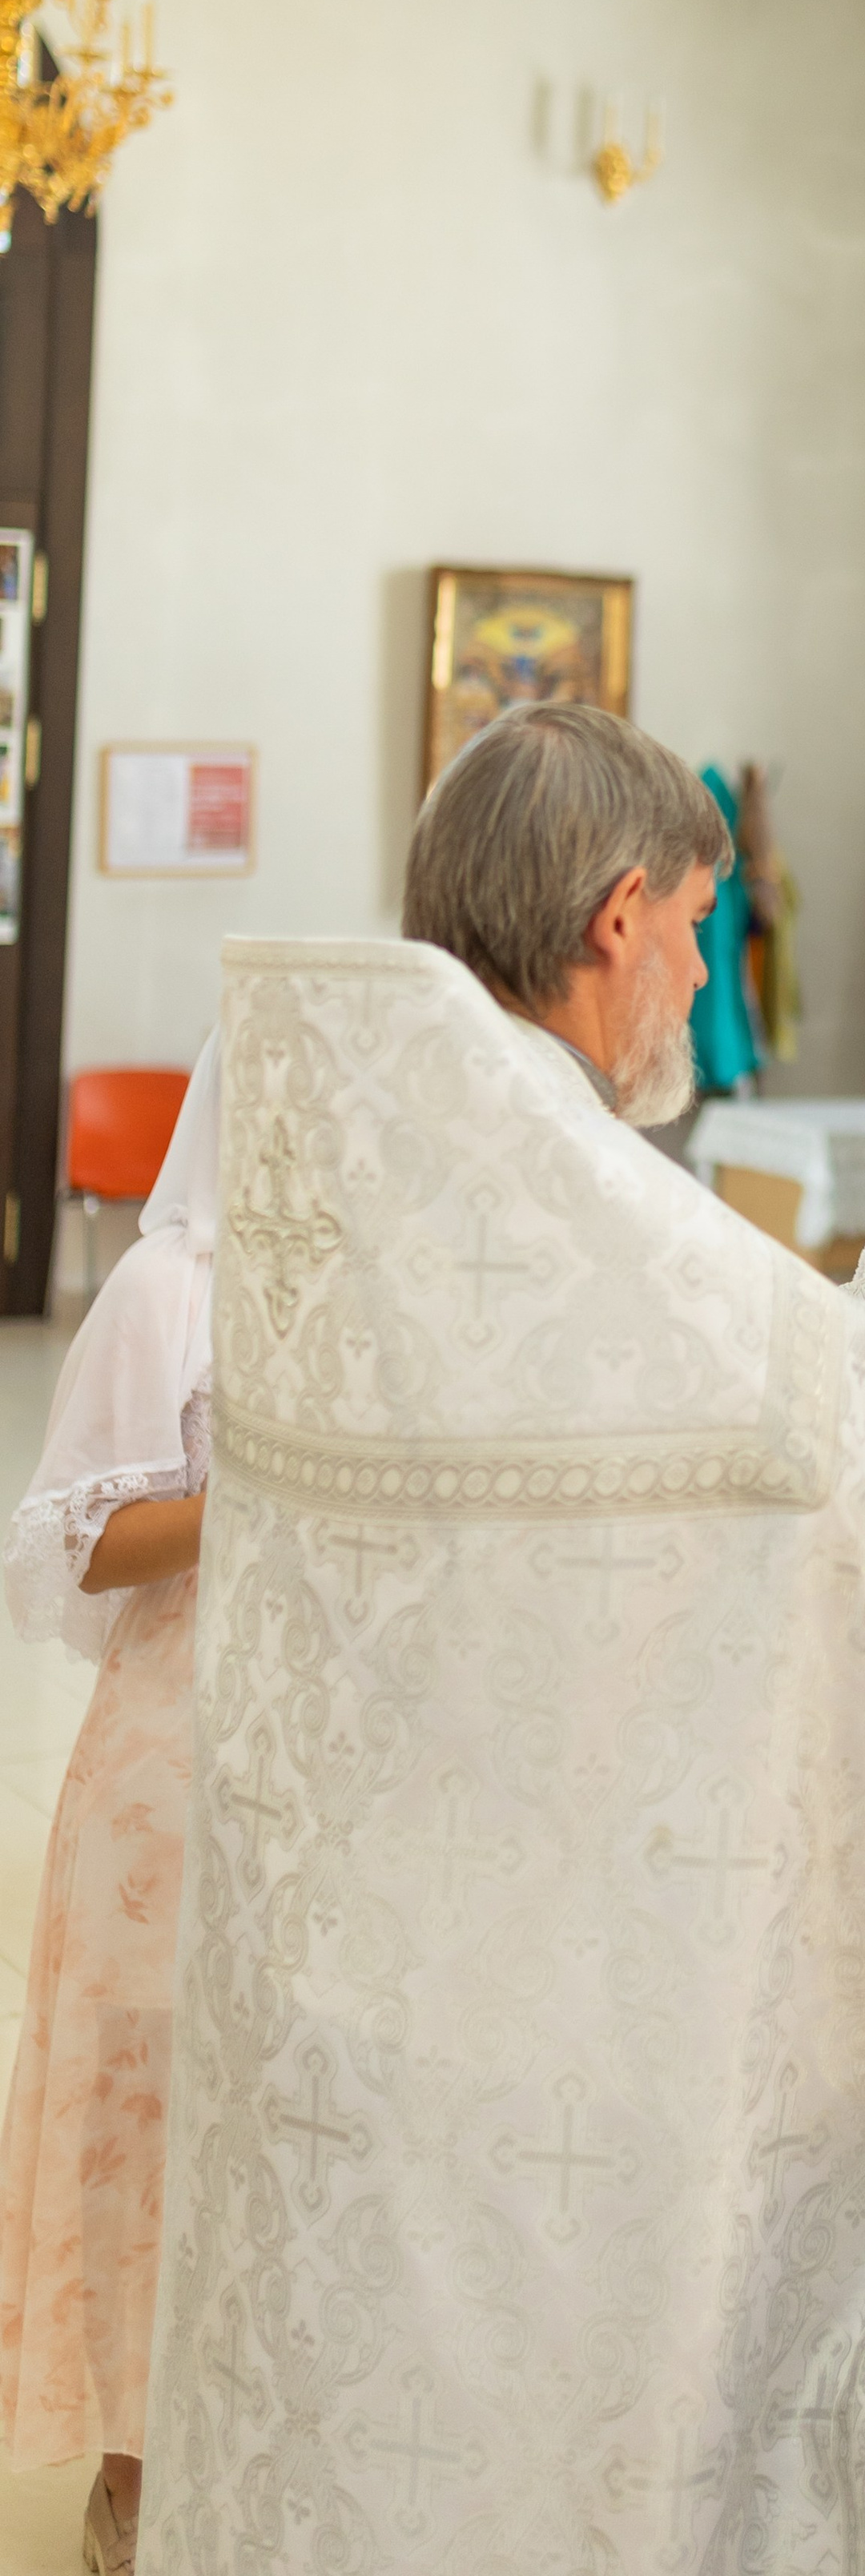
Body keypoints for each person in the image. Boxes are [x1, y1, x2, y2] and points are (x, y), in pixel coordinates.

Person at [139, 702, 865, 2576]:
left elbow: (695, 1441)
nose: (707, 968)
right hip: (546, 2001)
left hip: (358, 1959)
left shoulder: (395, 1138)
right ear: (623, 914)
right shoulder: (574, 1186)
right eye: (704, 925)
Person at [0, 1043, 218, 2576]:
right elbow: (80, 1541)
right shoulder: (170, 1286)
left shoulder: (417, 1277)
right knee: (153, 2103)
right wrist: (276, 1482)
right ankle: (139, 2467)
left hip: (350, 1765)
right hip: (179, 1750)